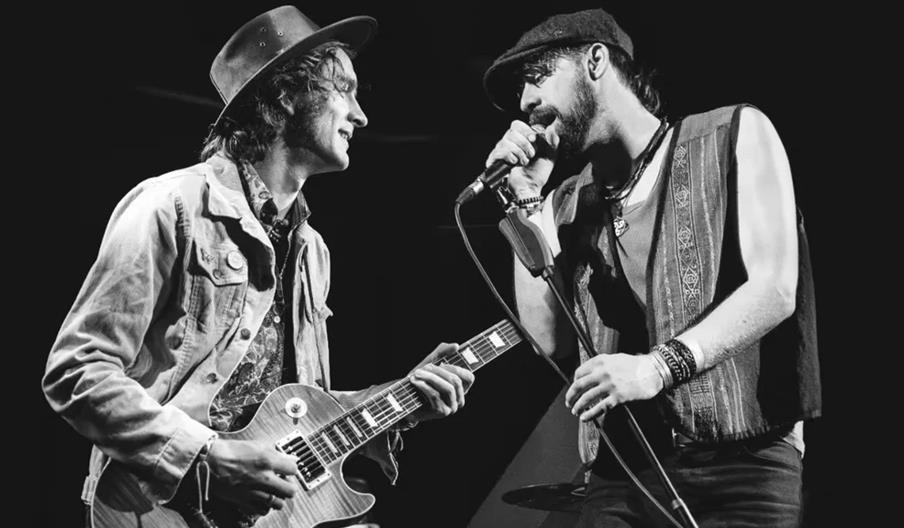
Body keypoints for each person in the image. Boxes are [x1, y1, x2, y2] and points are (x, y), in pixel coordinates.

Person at [42, 6, 473, 525]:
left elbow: (290, 408)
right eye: (346, 90)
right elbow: (76, 371)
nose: (361, 115)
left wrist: (395, 402)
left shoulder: (311, 249)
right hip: (161, 509)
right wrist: (206, 456)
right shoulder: (170, 206)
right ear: (289, 94)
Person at [482, 8, 820, 527]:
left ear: (596, 61)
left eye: (536, 78)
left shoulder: (732, 133)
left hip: (742, 467)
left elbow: (774, 287)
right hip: (623, 477)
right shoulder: (566, 203)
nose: (526, 104)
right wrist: (525, 200)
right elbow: (546, 339)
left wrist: (655, 368)